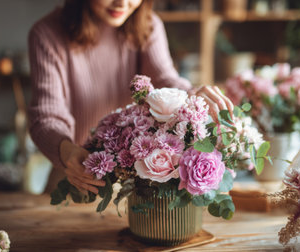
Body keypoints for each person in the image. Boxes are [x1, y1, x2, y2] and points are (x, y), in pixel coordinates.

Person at [28, 0, 233, 194]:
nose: (122, 3)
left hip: (130, 179)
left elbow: (163, 78)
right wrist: (68, 153)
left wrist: (193, 94)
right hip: (75, 174)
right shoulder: (46, 34)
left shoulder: (148, 25)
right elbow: (46, 116)